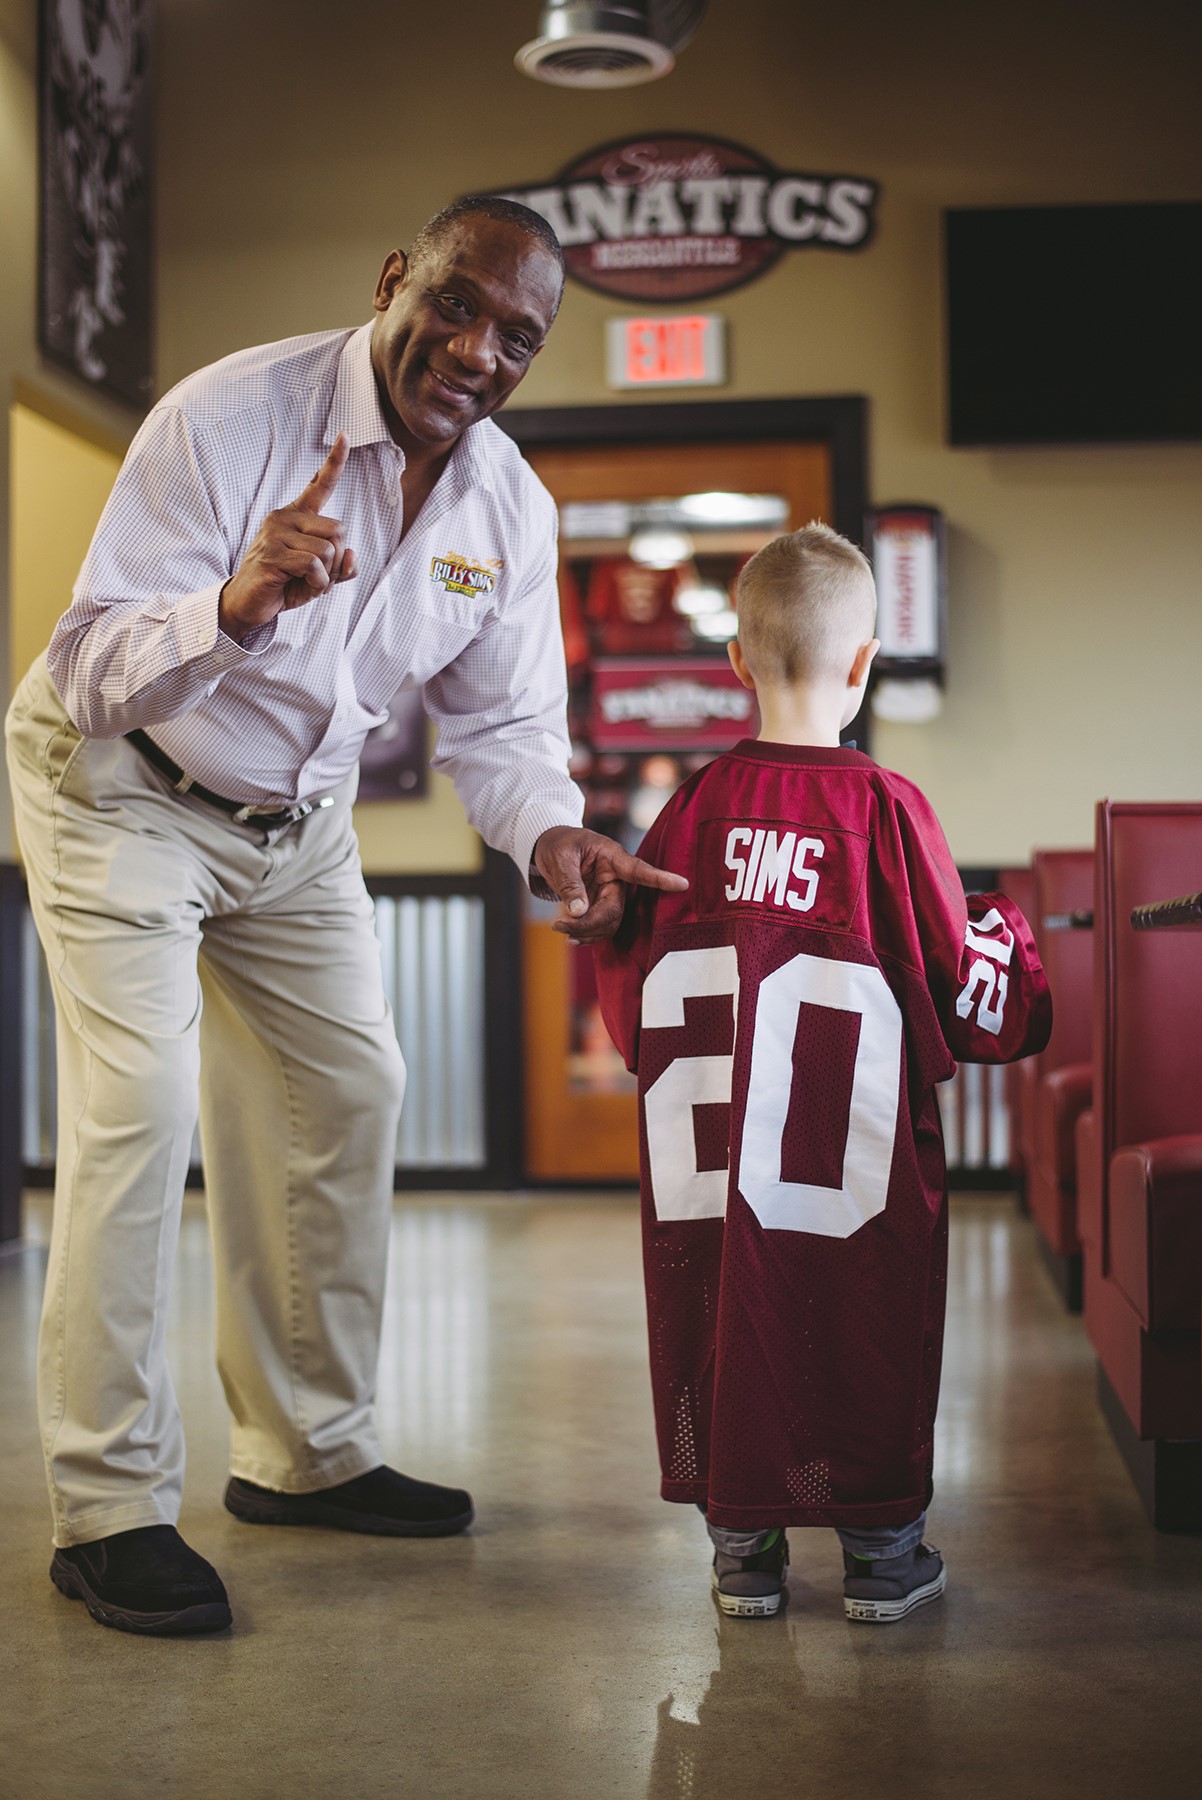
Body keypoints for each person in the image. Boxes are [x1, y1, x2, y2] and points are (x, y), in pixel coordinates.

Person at [5, 195, 685, 1638]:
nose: (475, 348)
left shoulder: (503, 505)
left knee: (348, 1087)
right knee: (143, 1106)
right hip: (122, 782)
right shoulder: (228, 420)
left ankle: (305, 1455)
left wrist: (553, 834)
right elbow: (86, 666)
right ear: (395, 281)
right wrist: (233, 610)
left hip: (294, 828)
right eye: (455, 303)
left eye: (518, 336)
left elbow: (502, 727)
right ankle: (109, 1505)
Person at [594, 524, 1050, 1622]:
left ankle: (740, 1554)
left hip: (709, 1181)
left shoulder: (691, 811)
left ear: (736, 664)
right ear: (863, 662)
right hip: (857, 1172)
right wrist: (1012, 936)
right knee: (863, 1326)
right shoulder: (886, 812)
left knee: (719, 1321)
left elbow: (633, 994)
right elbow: (975, 1001)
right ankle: (881, 1555)